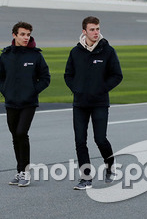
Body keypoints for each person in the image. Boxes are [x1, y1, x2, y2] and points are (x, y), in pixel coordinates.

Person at [64, 16, 123, 190]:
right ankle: (86, 178)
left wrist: (101, 88)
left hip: (100, 102)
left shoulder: (108, 51)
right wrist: (77, 89)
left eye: (97, 29)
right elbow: (68, 75)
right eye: (92, 29)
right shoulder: (75, 52)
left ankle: (110, 165)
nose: (95, 32)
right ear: (84, 31)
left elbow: (117, 75)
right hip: (80, 103)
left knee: (100, 139)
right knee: (80, 141)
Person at [0, 21, 51, 187]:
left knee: (21, 133)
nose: (26, 38)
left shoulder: (36, 56)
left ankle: (25, 172)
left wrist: (32, 91)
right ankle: (20, 171)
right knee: (14, 136)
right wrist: (6, 91)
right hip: (11, 102)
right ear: (14, 35)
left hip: (29, 103)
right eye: (23, 34)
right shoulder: (6, 55)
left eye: (28, 35)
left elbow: (46, 78)